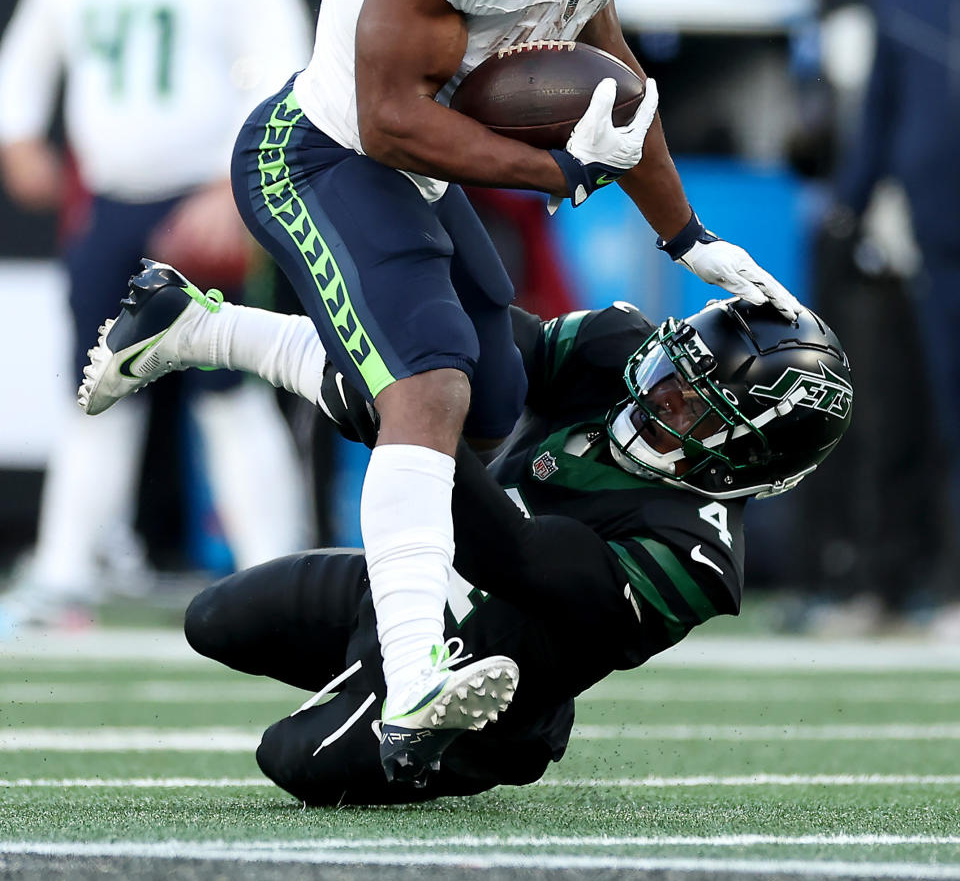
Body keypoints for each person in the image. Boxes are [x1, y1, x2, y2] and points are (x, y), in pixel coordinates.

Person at [82, 0, 801, 786]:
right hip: (320, 154)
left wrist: (685, 235)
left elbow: (608, 60)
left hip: (409, 170)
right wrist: (552, 168)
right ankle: (416, 662)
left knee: (493, 394)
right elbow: (389, 117)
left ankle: (187, 328)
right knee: (429, 387)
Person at [78, 256, 851, 800]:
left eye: (694, 406)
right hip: (411, 583)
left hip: (493, 680)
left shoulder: (697, 557)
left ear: (752, 456)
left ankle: (429, 732)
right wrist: (414, 369)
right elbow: (496, 348)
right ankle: (200, 326)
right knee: (212, 618)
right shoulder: (618, 350)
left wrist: (410, 422)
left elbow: (512, 557)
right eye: (674, 373)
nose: (660, 398)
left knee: (289, 759)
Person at [0, 0, 313, 631]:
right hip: (109, 199)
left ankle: (276, 574)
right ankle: (67, 573)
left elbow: (284, 63)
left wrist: (230, 185)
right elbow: (28, 54)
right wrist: (19, 134)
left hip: (203, 197)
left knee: (230, 387)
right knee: (96, 386)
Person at [832, 0, 960, 635]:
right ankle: (944, 585)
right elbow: (880, 113)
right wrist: (851, 202)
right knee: (941, 411)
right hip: (941, 237)